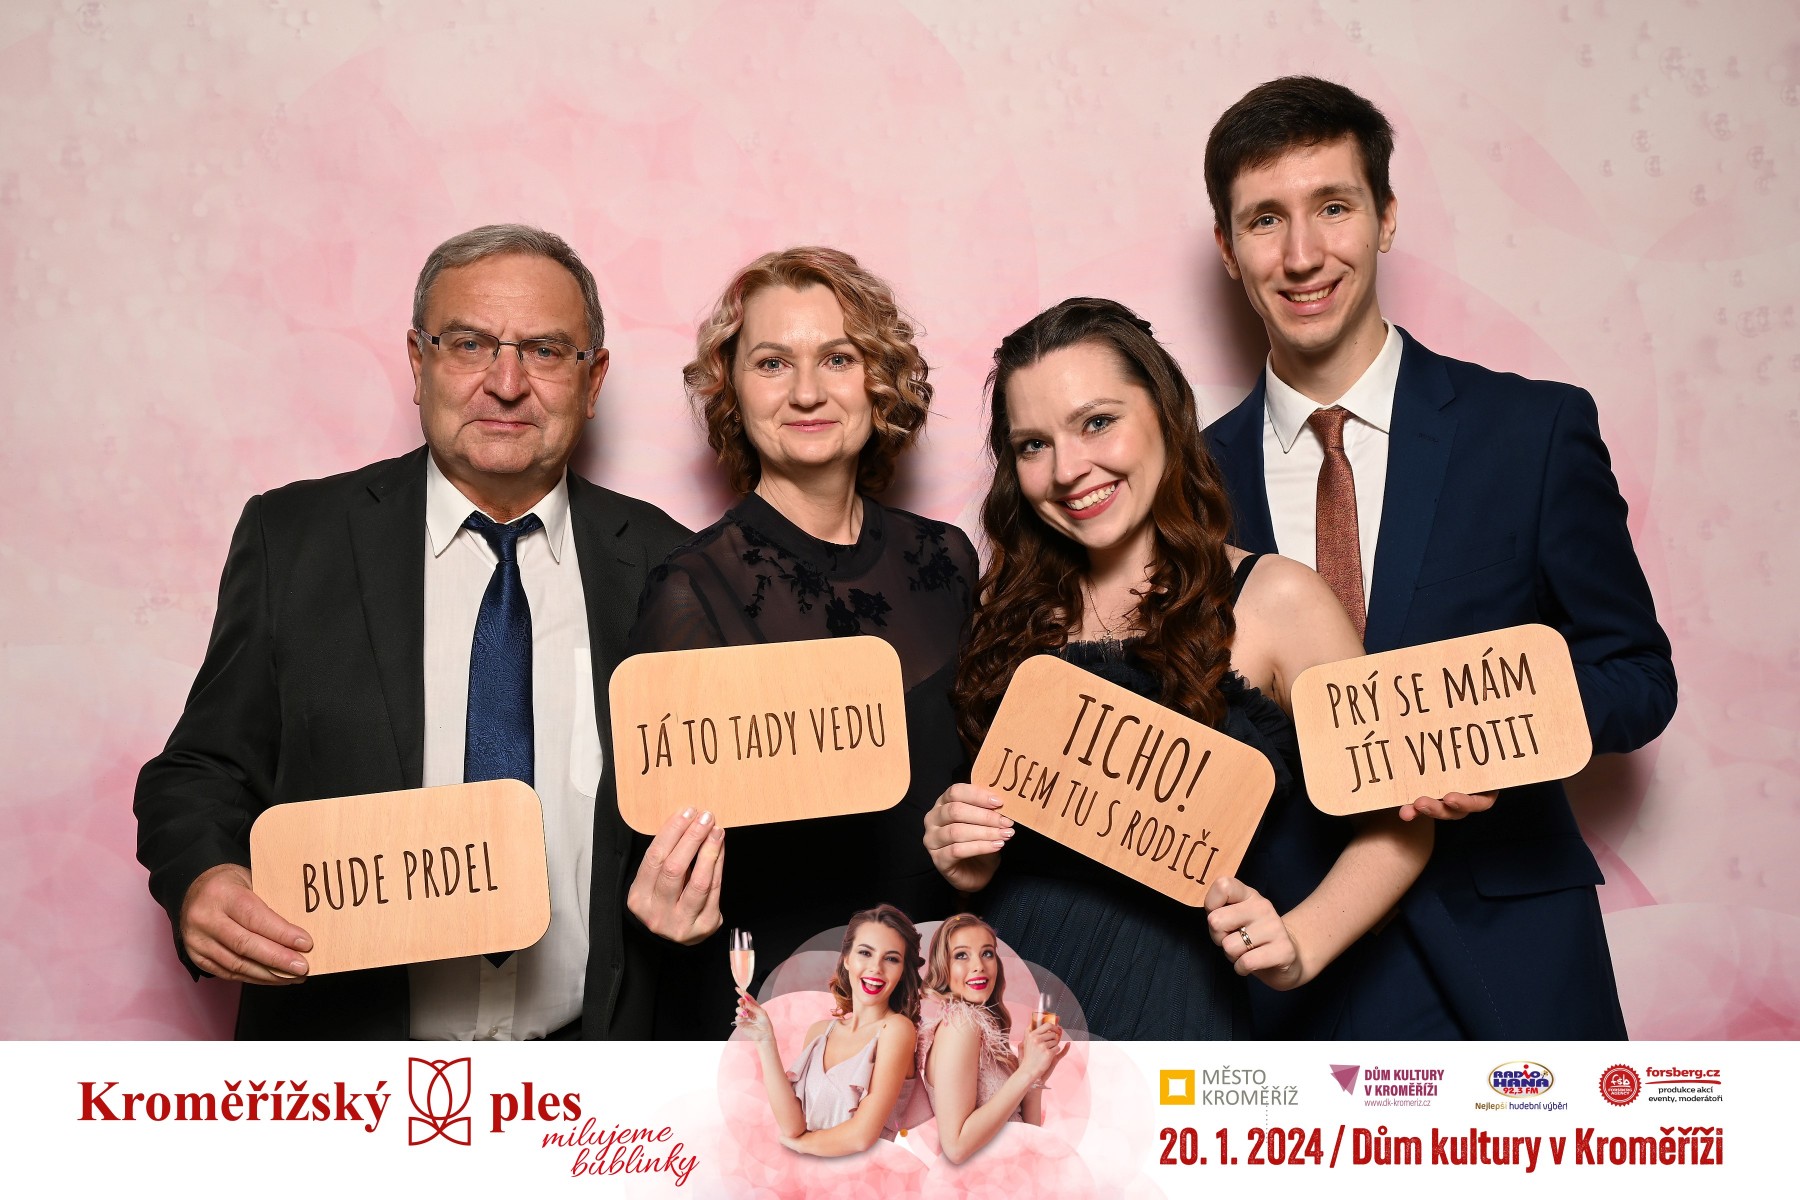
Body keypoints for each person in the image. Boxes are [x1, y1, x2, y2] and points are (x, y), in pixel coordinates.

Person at [1201, 76, 1677, 1038]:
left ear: (1385, 217)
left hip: (1512, 955)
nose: (1302, 255)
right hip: (1290, 969)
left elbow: (1637, 675)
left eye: (1334, 207)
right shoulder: (1188, 487)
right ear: (1227, 247)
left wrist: (1497, 735)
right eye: (1265, 220)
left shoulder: (1533, 431)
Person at [132, 224, 689, 1039]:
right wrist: (203, 877)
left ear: (592, 379)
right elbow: (200, 769)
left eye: (544, 351)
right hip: (347, 1063)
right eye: (469, 344)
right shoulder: (295, 539)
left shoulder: (672, 566)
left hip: (594, 1071)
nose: (506, 383)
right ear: (419, 362)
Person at [924, 297, 1433, 1040]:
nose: (1068, 469)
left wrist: (1301, 944)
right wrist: (962, 858)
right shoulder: (1003, 617)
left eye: (1098, 422)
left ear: (1165, 414)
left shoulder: (1278, 600)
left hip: (1174, 1011)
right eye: (1033, 444)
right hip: (1003, 1013)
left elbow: (1399, 823)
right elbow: (991, 848)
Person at [625, 247, 976, 1037]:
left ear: (878, 379)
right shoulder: (689, 592)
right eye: (773, 363)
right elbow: (669, 856)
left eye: (838, 359)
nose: (808, 392)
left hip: (934, 1015)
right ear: (733, 389)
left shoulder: (947, 560)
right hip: (780, 1021)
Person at [735, 904, 922, 1156]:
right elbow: (792, 1126)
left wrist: (800, 1145)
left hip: (862, 1176)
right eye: (865, 953)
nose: (876, 968)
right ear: (846, 959)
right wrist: (764, 1040)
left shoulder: (897, 1030)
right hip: (809, 1175)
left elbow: (861, 1137)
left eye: (891, 958)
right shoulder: (819, 1033)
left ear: (901, 971)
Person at [917, 914, 1064, 1163]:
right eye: (961, 955)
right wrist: (1026, 1072)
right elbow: (956, 1147)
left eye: (987, 953)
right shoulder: (961, 1023)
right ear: (944, 967)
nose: (979, 966)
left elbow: (1026, 1136)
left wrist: (1034, 1079)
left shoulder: (976, 1027)